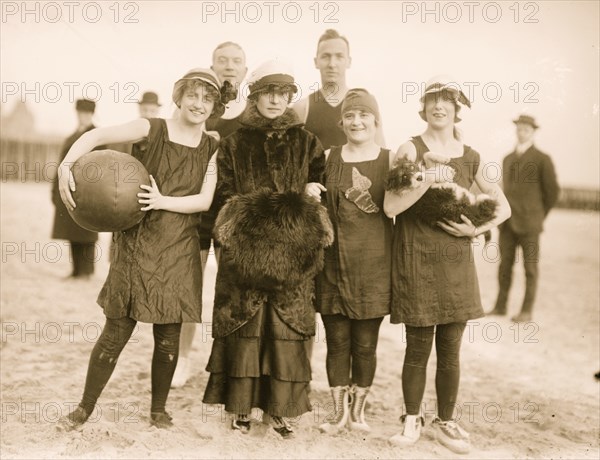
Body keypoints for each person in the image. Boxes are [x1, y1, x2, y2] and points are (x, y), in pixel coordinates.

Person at [56, 68, 231, 430]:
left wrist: (163, 200)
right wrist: (67, 164)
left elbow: (203, 201)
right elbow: (100, 135)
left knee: (167, 336)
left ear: (213, 106)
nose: (199, 104)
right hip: (136, 243)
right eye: (193, 95)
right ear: (179, 97)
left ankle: (158, 410)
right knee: (115, 331)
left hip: (179, 247)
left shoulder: (214, 146)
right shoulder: (150, 128)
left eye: (207, 98)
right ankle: (84, 409)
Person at [384, 76, 511, 454]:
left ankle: (446, 421)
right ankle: (411, 419)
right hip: (416, 256)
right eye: (432, 100)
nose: (439, 106)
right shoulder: (409, 147)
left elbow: (503, 206)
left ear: (458, 109)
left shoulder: (471, 156)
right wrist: (427, 178)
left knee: (451, 349)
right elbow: (391, 206)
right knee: (418, 347)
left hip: (456, 261)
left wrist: (475, 228)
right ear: (422, 108)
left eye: (447, 101)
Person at [202, 60, 325, 439]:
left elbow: (319, 182)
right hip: (246, 253)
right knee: (247, 324)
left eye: (282, 93)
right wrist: (247, 227)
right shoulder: (235, 142)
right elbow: (223, 193)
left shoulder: (307, 141)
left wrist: (311, 191)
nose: (275, 99)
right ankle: (240, 407)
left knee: (285, 328)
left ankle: (281, 410)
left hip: (294, 253)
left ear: (290, 97)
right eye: (267, 92)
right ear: (254, 96)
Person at [171, 41, 248, 388]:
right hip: (197, 211)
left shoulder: (252, 114)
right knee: (191, 286)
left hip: (234, 214)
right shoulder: (199, 107)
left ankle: (232, 363)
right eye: (222, 61)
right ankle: (182, 358)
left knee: (236, 291)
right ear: (212, 67)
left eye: (236, 62)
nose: (229, 67)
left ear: (245, 71)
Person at [315, 89, 392, 434]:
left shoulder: (390, 161)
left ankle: (359, 412)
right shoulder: (328, 156)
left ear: (376, 121)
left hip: (374, 266)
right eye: (349, 116)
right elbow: (308, 192)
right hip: (332, 264)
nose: (356, 122)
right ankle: (337, 413)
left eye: (364, 115)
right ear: (341, 122)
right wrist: (308, 190)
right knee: (336, 342)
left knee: (365, 344)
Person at [489, 114, 560, 322]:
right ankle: (500, 306)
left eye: (526, 129)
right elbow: (505, 189)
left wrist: (538, 216)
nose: (522, 132)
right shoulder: (507, 158)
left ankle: (526, 311)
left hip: (530, 225)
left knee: (530, 268)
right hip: (508, 224)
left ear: (533, 132)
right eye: (519, 129)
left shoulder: (542, 159)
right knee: (504, 266)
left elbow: (552, 193)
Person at [293, 29, 385, 149]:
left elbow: (380, 152)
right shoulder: (303, 107)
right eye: (326, 57)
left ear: (349, 62)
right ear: (316, 62)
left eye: (339, 56)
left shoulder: (366, 103)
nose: (332, 64)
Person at [51, 99, 101, 280]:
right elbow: (61, 165)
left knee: (86, 231)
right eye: (80, 113)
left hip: (87, 192)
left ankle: (86, 272)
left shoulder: (97, 136)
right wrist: (55, 191)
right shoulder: (72, 137)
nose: (83, 117)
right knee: (72, 231)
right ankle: (76, 271)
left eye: (86, 113)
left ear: (92, 114)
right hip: (68, 189)